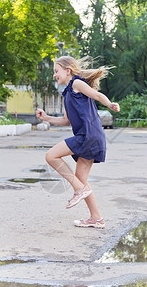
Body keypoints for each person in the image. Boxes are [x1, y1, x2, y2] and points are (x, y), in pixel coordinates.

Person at [36, 55, 120, 229]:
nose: (54, 75)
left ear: (68, 71)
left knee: (51, 156)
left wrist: (110, 104)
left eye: (56, 71)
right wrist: (46, 117)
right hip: (92, 137)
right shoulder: (67, 93)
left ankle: (79, 190)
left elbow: (96, 94)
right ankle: (97, 218)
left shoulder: (76, 83)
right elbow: (66, 121)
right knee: (81, 180)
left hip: (87, 136)